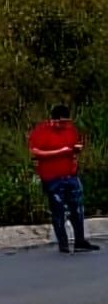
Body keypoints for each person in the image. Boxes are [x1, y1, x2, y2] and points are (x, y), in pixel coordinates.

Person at [28, 103, 100, 255]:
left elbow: (74, 145)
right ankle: (63, 243)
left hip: (70, 174)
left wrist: (75, 150)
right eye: (61, 122)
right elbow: (35, 151)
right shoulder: (41, 131)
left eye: (66, 122)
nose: (64, 126)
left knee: (77, 208)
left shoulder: (70, 130)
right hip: (51, 176)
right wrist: (60, 151)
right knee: (58, 209)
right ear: (53, 120)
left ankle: (80, 241)